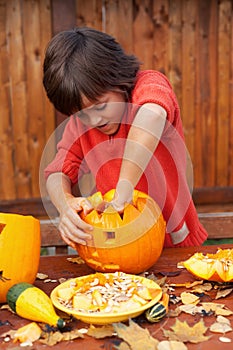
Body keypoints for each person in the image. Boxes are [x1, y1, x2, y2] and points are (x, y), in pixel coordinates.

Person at [42, 27, 208, 249]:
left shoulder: (149, 85)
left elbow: (153, 115)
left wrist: (125, 187)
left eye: (101, 106)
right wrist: (66, 205)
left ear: (118, 80)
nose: (93, 120)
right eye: (82, 113)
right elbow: (56, 173)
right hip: (119, 246)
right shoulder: (79, 126)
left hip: (176, 242)